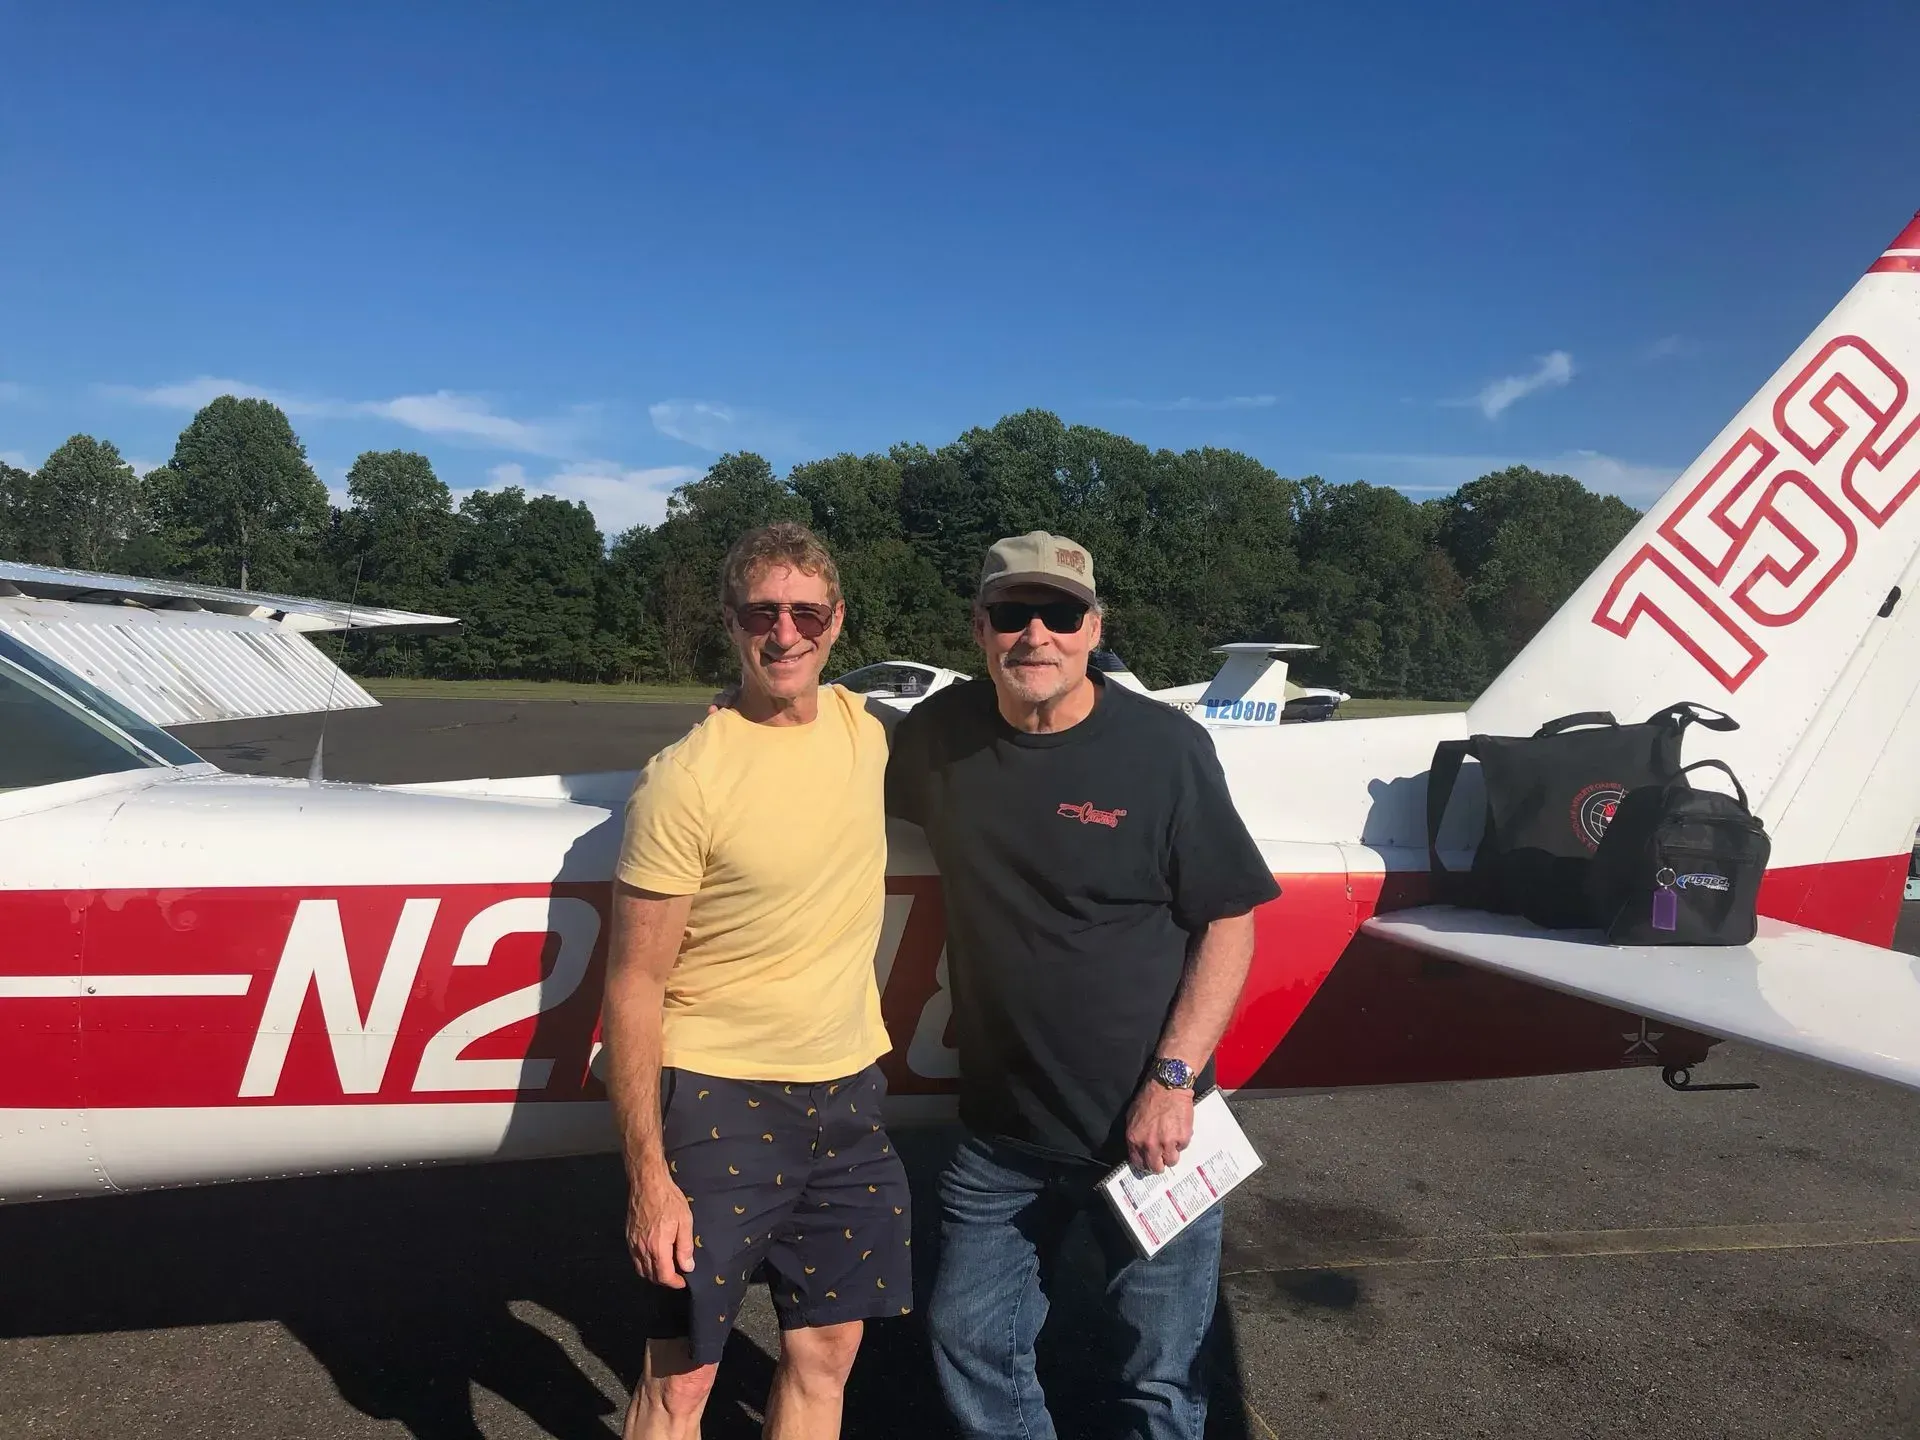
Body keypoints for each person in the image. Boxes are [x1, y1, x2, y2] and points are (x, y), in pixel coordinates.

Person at [884, 531, 1280, 1440]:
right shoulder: (937, 738)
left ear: (1094, 628)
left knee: (1160, 1378)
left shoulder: (1165, 749)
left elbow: (1229, 920)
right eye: (1012, 614)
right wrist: (753, 710)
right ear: (979, 629)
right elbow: (831, 775)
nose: (1036, 635)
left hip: (1151, 1131)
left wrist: (1173, 1082)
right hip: (1002, 1132)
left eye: (1060, 614)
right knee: (969, 1340)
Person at [602, 521, 912, 1440]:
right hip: (718, 1095)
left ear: (836, 622)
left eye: (805, 613)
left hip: (849, 1092)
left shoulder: (866, 730)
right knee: (683, 1380)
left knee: (827, 1356)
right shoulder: (684, 780)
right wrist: (648, 1176)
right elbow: (632, 985)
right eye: (761, 613)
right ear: (731, 621)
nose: (784, 634)